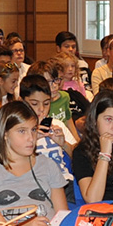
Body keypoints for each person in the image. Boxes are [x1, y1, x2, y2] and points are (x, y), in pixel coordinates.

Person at [0, 101, 69, 226]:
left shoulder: (48, 165)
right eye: (22, 131)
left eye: (33, 130)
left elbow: (62, 218)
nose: (31, 138)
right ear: (5, 133)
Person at [20, 74, 77, 204]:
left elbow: (77, 156)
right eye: (34, 104)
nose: (41, 109)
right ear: (22, 102)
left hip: (63, 182)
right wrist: (32, 139)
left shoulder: (57, 125)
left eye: (46, 104)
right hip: (32, 183)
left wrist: (63, 144)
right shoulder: (17, 129)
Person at [73, 89, 113, 203]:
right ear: (95, 119)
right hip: (106, 208)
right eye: (108, 119)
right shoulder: (82, 152)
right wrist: (105, 154)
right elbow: (92, 199)